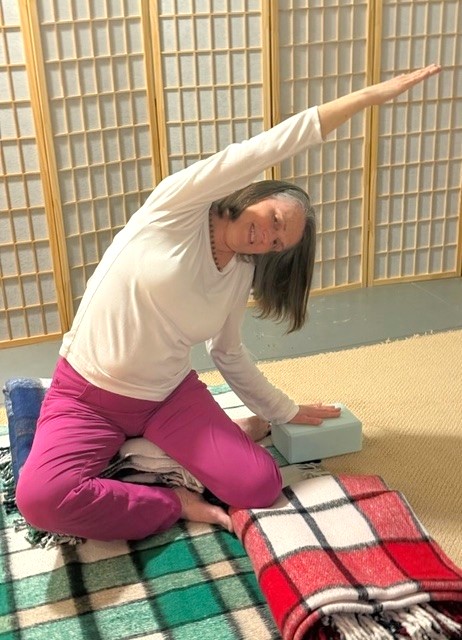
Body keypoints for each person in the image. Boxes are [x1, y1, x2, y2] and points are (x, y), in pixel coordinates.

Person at [16, 64, 441, 541]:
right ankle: (171, 498)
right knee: (41, 500)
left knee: (259, 485)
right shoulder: (177, 208)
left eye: (278, 243)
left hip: (166, 399)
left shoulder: (240, 271)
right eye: (274, 218)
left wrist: (282, 410)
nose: (268, 237)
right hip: (87, 397)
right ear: (257, 194)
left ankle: (169, 449)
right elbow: (266, 147)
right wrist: (365, 98)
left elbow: (228, 351)